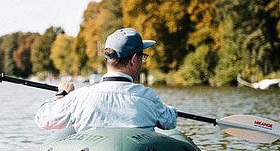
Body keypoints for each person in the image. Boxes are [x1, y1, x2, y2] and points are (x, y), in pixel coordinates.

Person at [35, 28, 177, 133]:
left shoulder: (81, 97)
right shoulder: (148, 97)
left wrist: (62, 94)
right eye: (142, 56)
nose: (142, 61)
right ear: (134, 59)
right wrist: (169, 109)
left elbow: (43, 119)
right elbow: (170, 122)